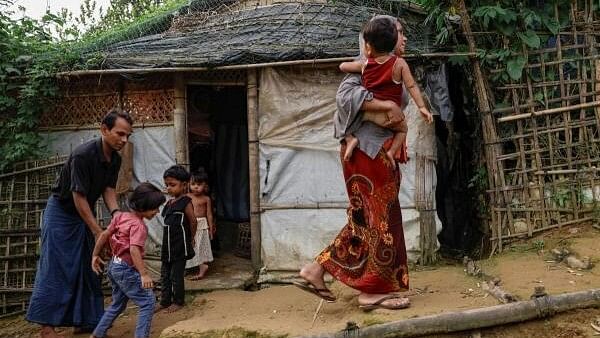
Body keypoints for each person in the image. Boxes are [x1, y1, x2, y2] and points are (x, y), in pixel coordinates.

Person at [296, 15, 418, 311]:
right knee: (380, 221)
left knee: (366, 219)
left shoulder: (392, 66)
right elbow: (345, 96)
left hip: (376, 152)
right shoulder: (367, 63)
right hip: (367, 152)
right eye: (399, 33)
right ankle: (372, 291)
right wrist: (386, 105)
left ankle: (317, 269)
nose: (404, 39)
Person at [26, 109, 133, 338]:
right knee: (56, 267)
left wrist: (116, 215)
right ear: (104, 129)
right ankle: (47, 326)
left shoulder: (115, 158)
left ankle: (86, 321)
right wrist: (97, 231)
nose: (124, 140)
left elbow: (108, 189)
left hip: (82, 214)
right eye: (120, 134)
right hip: (62, 213)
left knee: (89, 266)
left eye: (128, 136)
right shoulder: (83, 155)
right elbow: (79, 197)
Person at [339, 17, 433, 164]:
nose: (405, 38)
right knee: (403, 129)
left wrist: (361, 61)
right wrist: (420, 107)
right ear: (392, 40)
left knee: (342, 121)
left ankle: (350, 139)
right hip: (368, 148)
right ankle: (391, 152)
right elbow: (412, 86)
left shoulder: (365, 65)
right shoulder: (399, 65)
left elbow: (343, 66)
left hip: (377, 124)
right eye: (400, 33)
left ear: (369, 46)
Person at [90, 183, 166, 338]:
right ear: (144, 207)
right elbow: (133, 249)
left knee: (118, 303)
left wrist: (95, 255)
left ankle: (98, 334)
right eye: (155, 208)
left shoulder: (121, 217)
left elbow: (104, 234)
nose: (157, 212)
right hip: (125, 269)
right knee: (148, 302)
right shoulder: (139, 226)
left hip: (114, 266)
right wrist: (144, 274)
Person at [157, 165, 197, 313]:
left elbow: (193, 221)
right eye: (167, 185)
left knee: (176, 275)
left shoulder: (186, 202)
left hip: (180, 245)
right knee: (164, 274)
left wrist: (191, 238)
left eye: (172, 185)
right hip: (167, 246)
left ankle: (178, 301)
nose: (169, 188)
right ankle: (164, 301)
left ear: (184, 185)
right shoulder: (169, 203)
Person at [186, 170, 215, 280]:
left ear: (205, 185)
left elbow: (209, 214)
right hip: (190, 224)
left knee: (201, 246)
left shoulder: (206, 199)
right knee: (192, 246)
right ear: (189, 184)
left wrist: (211, 229)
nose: (196, 187)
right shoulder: (187, 197)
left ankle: (202, 266)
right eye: (193, 184)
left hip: (202, 225)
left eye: (199, 185)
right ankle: (198, 266)